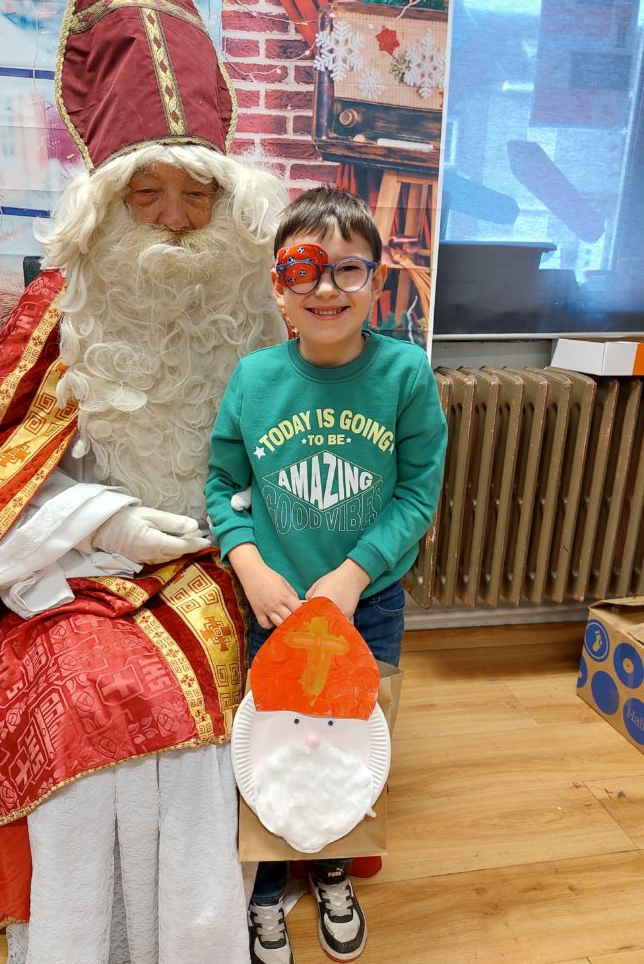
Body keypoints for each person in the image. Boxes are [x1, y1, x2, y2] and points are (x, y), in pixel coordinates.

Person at [0, 0, 287, 963]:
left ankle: (193, 930)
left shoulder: (259, 310)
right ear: (105, 201)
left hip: (225, 557)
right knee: (84, 697)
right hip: (76, 567)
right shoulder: (58, 309)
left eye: (196, 195)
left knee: (189, 709)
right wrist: (107, 522)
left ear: (229, 201)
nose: (174, 221)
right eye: (145, 194)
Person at [205, 186, 447, 964]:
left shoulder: (406, 375)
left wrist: (352, 574)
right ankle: (270, 879)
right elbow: (223, 485)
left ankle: (333, 864)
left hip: (367, 605)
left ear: (376, 282)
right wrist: (247, 562)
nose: (325, 288)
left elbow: (417, 494)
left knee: (350, 738)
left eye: (347, 269)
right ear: (279, 288)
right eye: (303, 269)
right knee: (274, 737)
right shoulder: (253, 380)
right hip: (275, 608)